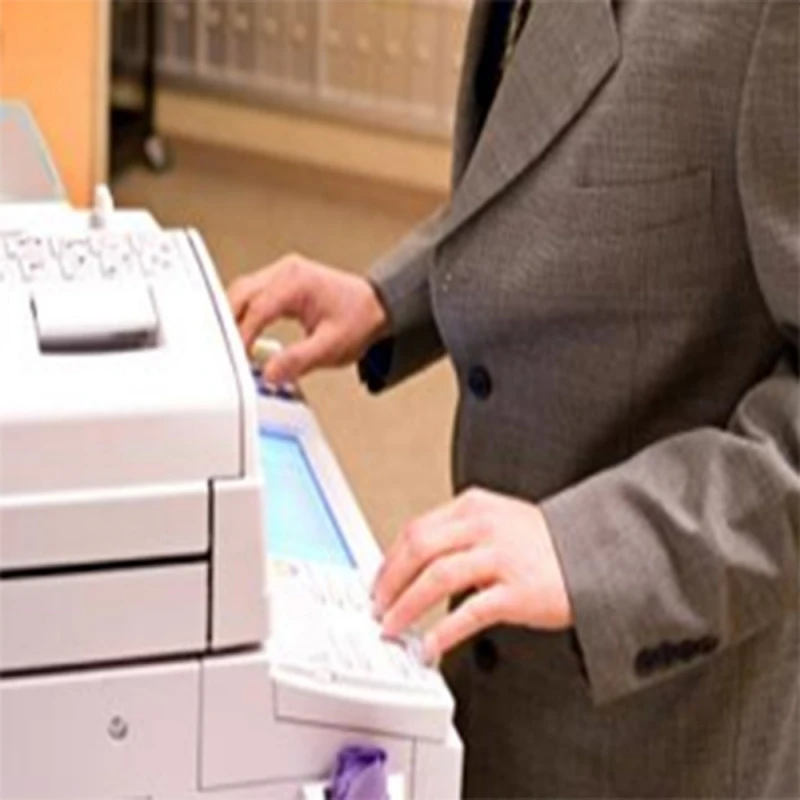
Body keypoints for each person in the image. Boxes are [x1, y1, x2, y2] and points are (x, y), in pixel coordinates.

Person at [228, 0, 799, 796]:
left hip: (662, 719)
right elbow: (546, 179)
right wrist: (389, 298)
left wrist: (590, 550)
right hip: (504, 665)